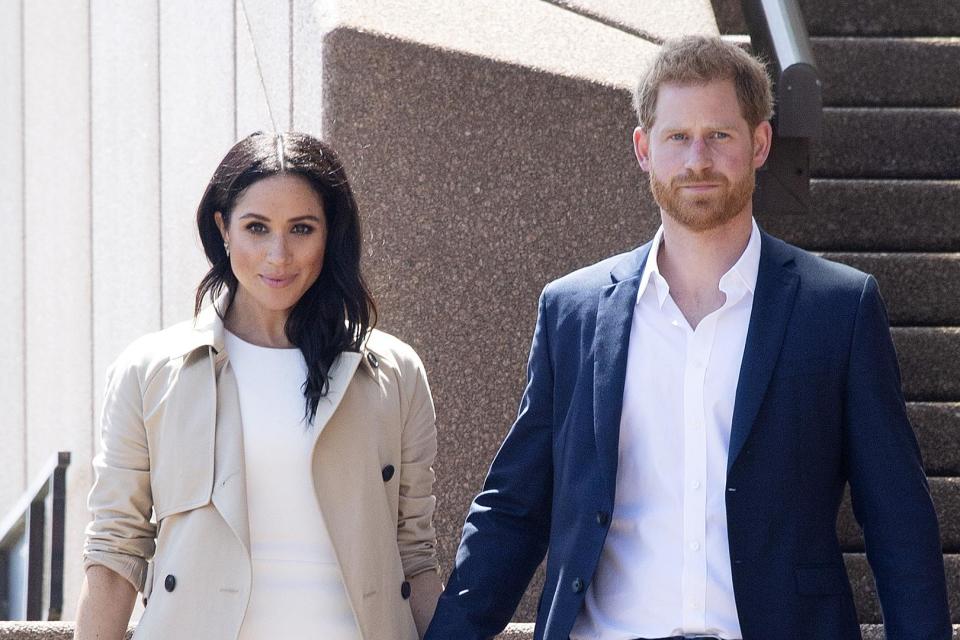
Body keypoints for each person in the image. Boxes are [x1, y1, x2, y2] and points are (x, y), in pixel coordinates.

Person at [425, 36, 950, 640]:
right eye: (677, 137)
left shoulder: (837, 308)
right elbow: (515, 510)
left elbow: (898, 520)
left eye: (719, 135)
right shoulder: (572, 311)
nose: (697, 158)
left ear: (760, 144)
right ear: (644, 149)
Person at [75, 132, 443, 640]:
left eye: (301, 229)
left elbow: (414, 553)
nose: (278, 255)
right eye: (257, 227)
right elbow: (116, 551)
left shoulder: (393, 372)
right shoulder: (149, 371)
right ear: (223, 229)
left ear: (329, 234)